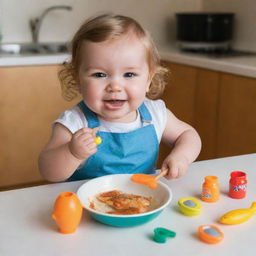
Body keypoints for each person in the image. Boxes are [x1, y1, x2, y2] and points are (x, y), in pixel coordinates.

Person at [38, 13, 201, 182]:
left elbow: (188, 135)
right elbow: (49, 172)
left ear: (148, 80)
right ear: (78, 80)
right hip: (86, 205)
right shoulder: (74, 122)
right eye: (100, 74)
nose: (115, 86)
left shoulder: (155, 114)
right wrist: (72, 152)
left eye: (129, 74)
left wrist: (182, 156)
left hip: (140, 202)